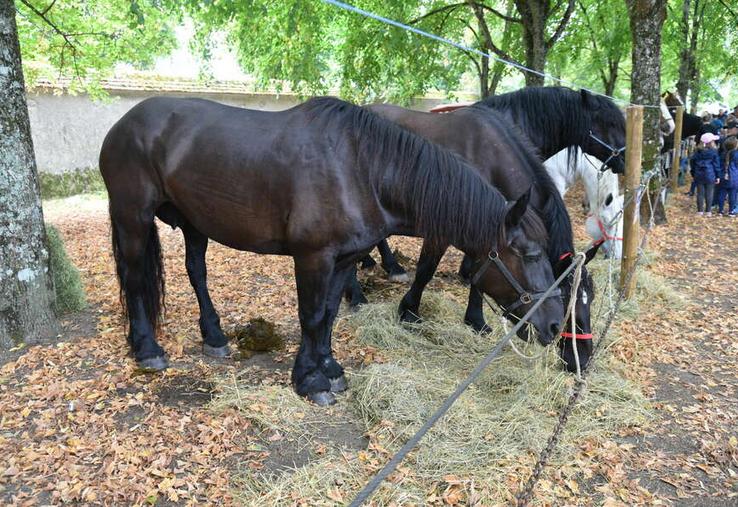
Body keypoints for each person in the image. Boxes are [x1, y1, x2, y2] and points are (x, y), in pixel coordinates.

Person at [690, 133, 721, 216]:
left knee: (700, 193)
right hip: (710, 174)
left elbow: (692, 163)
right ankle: (708, 211)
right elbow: (716, 165)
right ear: (711, 142)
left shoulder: (697, 152)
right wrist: (718, 176)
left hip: (698, 174)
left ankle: (700, 211)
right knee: (709, 193)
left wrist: (693, 174)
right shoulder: (714, 152)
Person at [717, 136, 738, 216]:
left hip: (723, 176)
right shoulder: (736, 155)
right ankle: (731, 211)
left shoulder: (722, 154)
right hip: (734, 177)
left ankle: (720, 210)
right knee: (733, 195)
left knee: (722, 193)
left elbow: (719, 164)